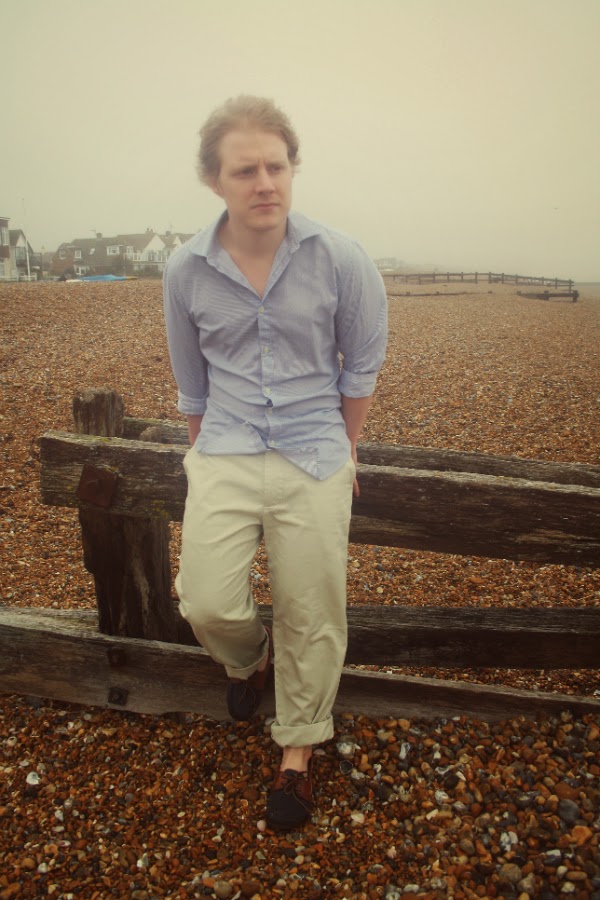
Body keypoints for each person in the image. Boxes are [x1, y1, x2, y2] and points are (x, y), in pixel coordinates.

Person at [163, 95, 387, 830]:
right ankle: (247, 660)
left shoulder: (341, 258)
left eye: (276, 166)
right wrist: (202, 456)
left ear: (292, 169)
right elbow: (192, 382)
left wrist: (345, 448)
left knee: (311, 608)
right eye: (245, 170)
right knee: (205, 601)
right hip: (224, 448)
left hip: (314, 452)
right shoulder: (185, 270)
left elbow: (362, 365)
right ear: (214, 180)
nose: (265, 182)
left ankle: (297, 748)